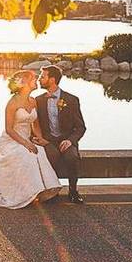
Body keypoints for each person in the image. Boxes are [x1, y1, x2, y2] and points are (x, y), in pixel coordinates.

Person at [0, 70, 63, 209]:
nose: (36, 81)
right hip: (11, 140)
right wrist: (26, 143)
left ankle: (43, 192)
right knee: (25, 154)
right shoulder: (12, 103)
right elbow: (9, 129)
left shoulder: (33, 101)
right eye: (33, 79)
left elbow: (34, 123)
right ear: (24, 83)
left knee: (40, 151)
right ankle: (25, 194)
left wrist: (39, 138)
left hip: (26, 138)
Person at [35, 65, 86, 203]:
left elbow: (81, 127)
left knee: (72, 157)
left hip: (66, 140)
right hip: (48, 141)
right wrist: (39, 139)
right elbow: (34, 125)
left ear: (52, 80)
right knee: (52, 155)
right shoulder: (38, 101)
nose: (39, 79)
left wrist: (70, 140)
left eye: (42, 76)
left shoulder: (71, 100)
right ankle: (52, 191)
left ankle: (73, 191)